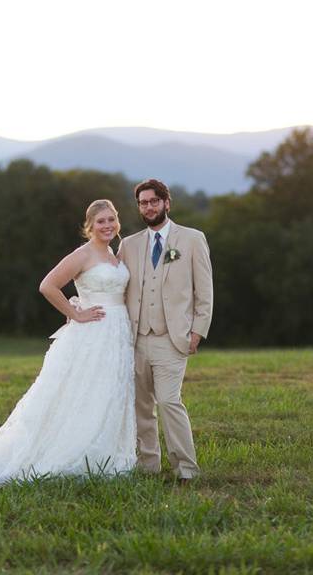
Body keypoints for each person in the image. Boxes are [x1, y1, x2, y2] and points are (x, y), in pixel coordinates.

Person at [0, 200, 136, 485]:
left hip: (118, 334)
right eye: (101, 221)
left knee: (108, 391)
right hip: (94, 333)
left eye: (111, 219)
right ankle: (69, 451)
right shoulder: (83, 254)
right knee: (82, 393)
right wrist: (75, 312)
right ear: (90, 226)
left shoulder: (114, 254)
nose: (107, 225)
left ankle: (104, 453)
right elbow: (47, 285)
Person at [118, 179, 213, 482]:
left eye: (153, 201)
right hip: (135, 339)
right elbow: (116, 287)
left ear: (166, 203)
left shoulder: (192, 239)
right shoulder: (128, 245)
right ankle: (148, 466)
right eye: (143, 203)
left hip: (173, 339)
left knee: (170, 401)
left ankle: (186, 469)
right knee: (141, 407)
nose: (148, 207)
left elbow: (205, 290)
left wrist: (198, 331)